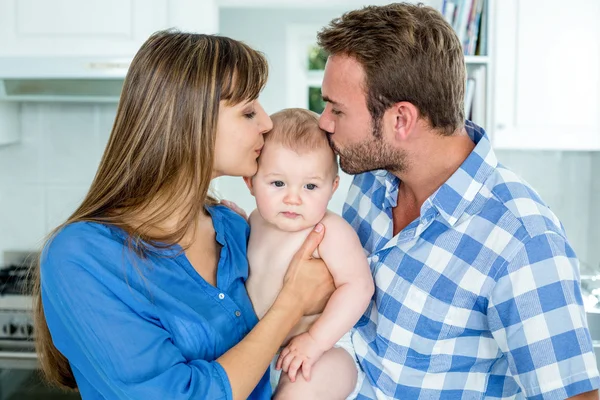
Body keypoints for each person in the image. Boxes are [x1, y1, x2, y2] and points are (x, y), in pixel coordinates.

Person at [316, 3, 600, 399]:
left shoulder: (523, 241)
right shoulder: (369, 181)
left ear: (400, 120)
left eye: (337, 109)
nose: (323, 122)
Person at [31, 30, 335, 400]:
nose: (267, 123)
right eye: (248, 111)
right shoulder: (80, 256)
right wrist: (292, 303)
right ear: (192, 121)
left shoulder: (235, 227)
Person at [243, 108, 374, 399]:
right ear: (250, 182)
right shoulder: (254, 221)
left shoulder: (330, 231)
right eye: (278, 183)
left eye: (311, 186)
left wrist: (315, 341)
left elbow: (359, 287)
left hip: (324, 353)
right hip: (263, 354)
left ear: (332, 188)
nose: (293, 198)